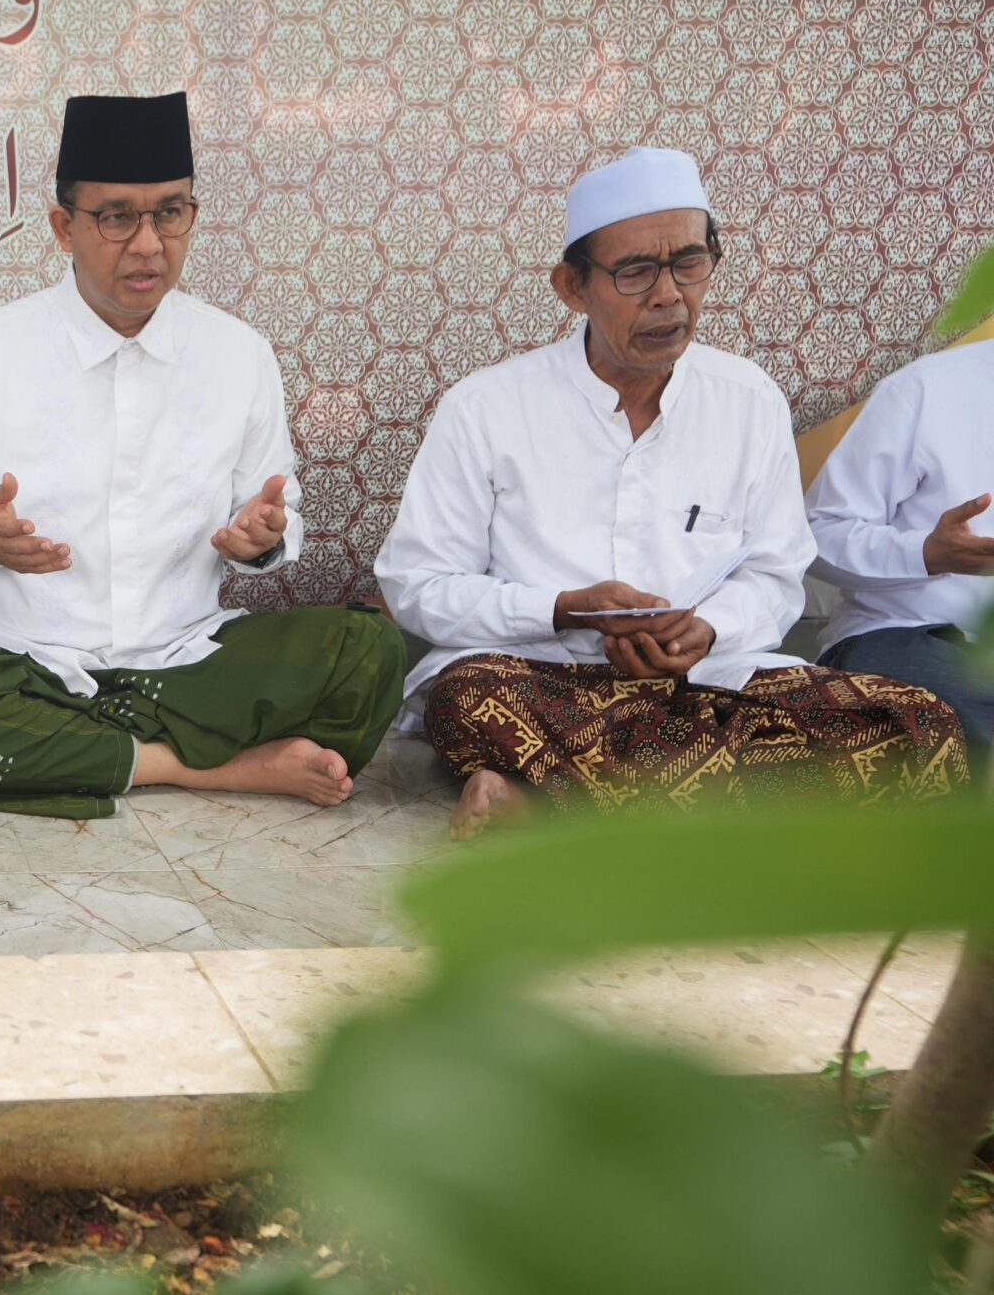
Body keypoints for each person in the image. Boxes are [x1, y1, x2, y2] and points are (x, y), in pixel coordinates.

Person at [375, 146, 969, 836]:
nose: (669, 295)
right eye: (635, 272)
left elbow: (777, 576)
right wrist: (563, 609)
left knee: (920, 724)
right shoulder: (485, 408)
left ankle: (550, 804)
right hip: (541, 679)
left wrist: (707, 629)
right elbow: (415, 585)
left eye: (689, 262)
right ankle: (704, 817)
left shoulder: (748, 399)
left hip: (708, 682)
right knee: (468, 700)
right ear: (573, 286)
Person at [0, 92, 405, 820]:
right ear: (64, 226)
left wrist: (262, 541)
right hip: (25, 666)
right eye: (117, 216)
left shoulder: (238, 356)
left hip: (186, 661)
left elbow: (278, 512)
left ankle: (85, 754)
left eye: (170, 212)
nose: (149, 244)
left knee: (367, 652)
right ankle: (205, 767)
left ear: (192, 215)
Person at [805, 340, 994, 758]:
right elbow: (818, 533)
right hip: (904, 633)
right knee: (958, 704)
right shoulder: (927, 390)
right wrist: (926, 554)